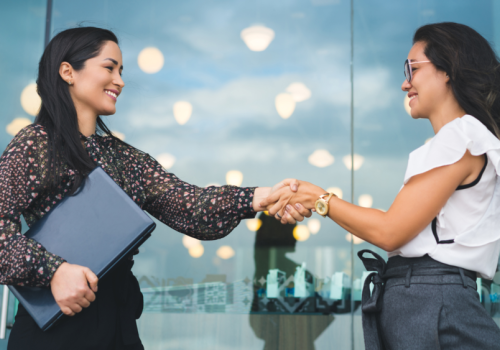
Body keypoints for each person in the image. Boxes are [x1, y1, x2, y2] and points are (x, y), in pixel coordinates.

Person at [1, 27, 311, 350]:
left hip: (117, 326)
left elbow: (190, 207)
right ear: (68, 71)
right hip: (55, 329)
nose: (120, 81)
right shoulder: (35, 144)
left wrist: (259, 197)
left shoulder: (124, 158)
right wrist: (54, 271)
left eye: (121, 71)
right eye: (109, 68)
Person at [261, 22, 500, 349]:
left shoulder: (461, 138)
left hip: (430, 301)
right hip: (427, 299)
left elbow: (390, 232)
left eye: (412, 68)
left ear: (448, 70)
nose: (405, 84)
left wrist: (319, 197)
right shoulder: (464, 140)